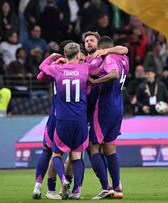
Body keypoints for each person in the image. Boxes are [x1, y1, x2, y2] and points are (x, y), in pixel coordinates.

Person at [38, 43, 99, 200]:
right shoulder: (84, 68)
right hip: (80, 119)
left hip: (63, 119)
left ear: (65, 54)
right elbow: (98, 69)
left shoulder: (57, 69)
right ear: (78, 53)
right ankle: (77, 191)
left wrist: (51, 58)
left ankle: (63, 180)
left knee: (56, 153)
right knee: (77, 156)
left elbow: (42, 67)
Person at [32, 40, 74, 200]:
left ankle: (38, 187)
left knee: (48, 150)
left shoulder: (55, 67)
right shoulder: (78, 67)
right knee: (72, 154)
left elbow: (39, 75)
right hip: (72, 117)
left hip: (54, 115)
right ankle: (69, 188)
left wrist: (50, 59)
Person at [88, 36, 129, 200]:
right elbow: (124, 50)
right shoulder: (123, 59)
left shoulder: (110, 58)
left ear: (102, 49)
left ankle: (106, 187)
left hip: (104, 107)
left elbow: (113, 74)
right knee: (110, 149)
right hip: (118, 106)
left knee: (93, 147)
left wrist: (95, 82)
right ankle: (117, 185)